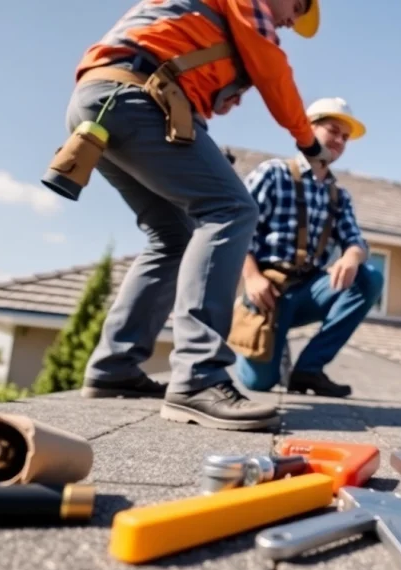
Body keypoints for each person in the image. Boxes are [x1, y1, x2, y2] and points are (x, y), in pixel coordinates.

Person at [69, 0, 333, 432]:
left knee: (172, 237)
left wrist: (217, 87)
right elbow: (274, 73)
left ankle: (114, 367)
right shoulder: (249, 4)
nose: (293, 20)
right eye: (297, 6)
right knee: (230, 210)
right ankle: (199, 376)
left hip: (102, 98)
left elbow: (190, 57)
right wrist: (308, 143)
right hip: (137, 98)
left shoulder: (220, 14)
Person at [234, 97, 381, 398]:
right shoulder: (273, 174)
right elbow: (236, 231)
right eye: (333, 130)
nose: (340, 140)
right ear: (308, 128)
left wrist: (352, 256)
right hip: (268, 293)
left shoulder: (339, 196)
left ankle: (308, 370)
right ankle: (255, 329)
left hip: (309, 291)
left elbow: (356, 241)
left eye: (345, 137)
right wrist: (251, 277)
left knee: (370, 277)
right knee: (259, 384)